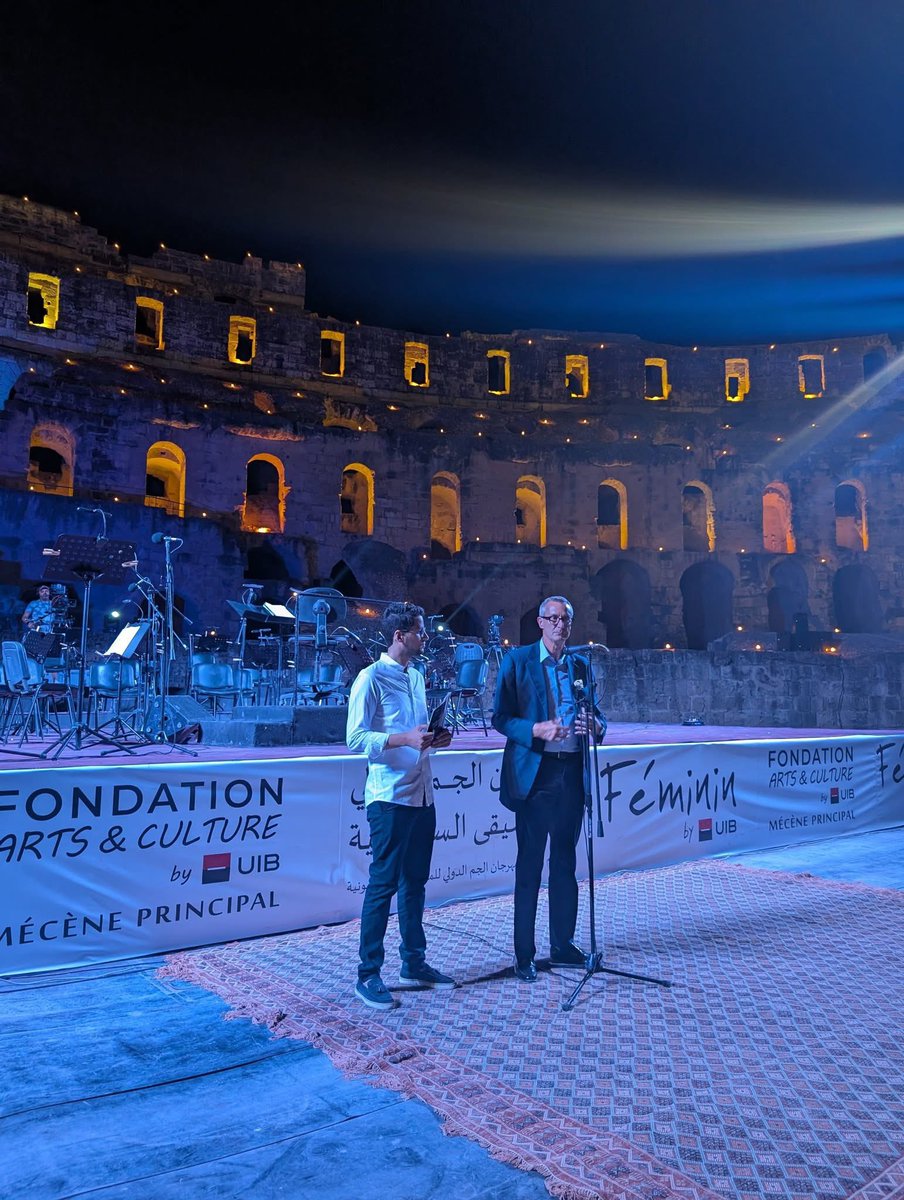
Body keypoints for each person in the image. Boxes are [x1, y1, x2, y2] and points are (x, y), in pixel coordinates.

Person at [346, 600, 455, 1010]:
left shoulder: (417, 677)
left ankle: (414, 963)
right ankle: (368, 973)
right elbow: (355, 739)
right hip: (389, 797)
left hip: (422, 792)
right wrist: (402, 739)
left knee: (415, 883)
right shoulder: (369, 679)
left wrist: (433, 738)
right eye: (420, 631)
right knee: (383, 884)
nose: (425, 637)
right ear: (400, 635)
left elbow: (417, 732)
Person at [492, 595, 606, 982]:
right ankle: (524, 954)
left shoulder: (579, 664)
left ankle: (563, 944)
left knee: (565, 864)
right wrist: (535, 730)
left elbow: (597, 712)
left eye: (566, 619)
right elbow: (500, 717)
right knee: (529, 868)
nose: (559, 625)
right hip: (536, 779)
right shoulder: (518, 660)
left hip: (571, 774)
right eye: (552, 618)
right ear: (539, 622)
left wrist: (596, 726)